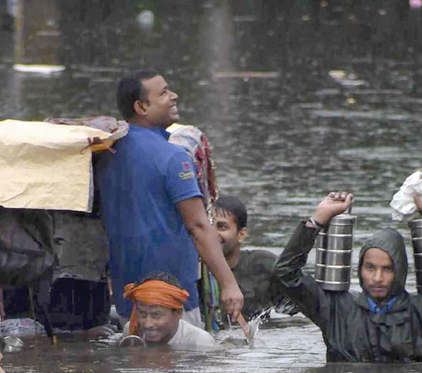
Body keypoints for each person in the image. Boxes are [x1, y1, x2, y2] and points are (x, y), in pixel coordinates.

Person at [96, 71, 245, 328]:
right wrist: (228, 284)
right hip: (173, 299)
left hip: (128, 299)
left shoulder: (106, 153)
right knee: (181, 367)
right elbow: (198, 226)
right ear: (141, 106)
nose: (173, 96)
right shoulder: (174, 157)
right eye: (163, 92)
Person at [273, 190, 422, 362]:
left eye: (387, 269)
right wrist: (317, 219)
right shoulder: (334, 309)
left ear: (400, 271)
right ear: (360, 269)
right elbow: (285, 273)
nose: (377, 278)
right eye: (370, 268)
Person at [213, 193, 292, 321]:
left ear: (241, 234)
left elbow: (301, 309)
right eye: (208, 226)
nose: (212, 234)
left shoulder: (264, 266)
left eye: (221, 227)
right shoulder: (195, 272)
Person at [121, 272, 217, 350]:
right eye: (142, 314)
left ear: (178, 313)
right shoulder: (132, 332)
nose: (147, 324)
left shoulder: (200, 342)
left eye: (156, 315)